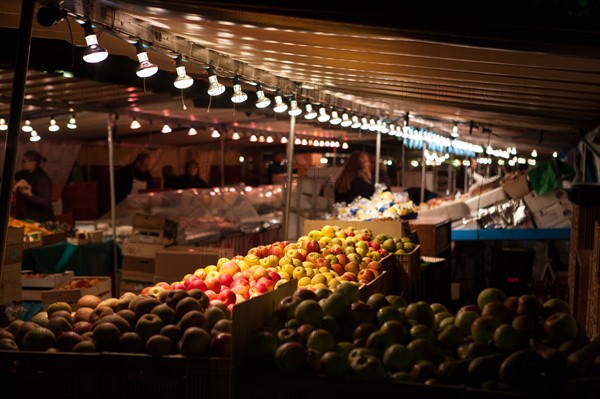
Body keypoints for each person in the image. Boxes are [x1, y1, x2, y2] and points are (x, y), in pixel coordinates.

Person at [13, 150, 55, 222]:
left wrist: (30, 195)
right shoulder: (22, 174)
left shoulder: (42, 179)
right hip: (26, 218)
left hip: (40, 219)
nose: (22, 163)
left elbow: (45, 202)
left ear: (33, 163)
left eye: (24, 161)